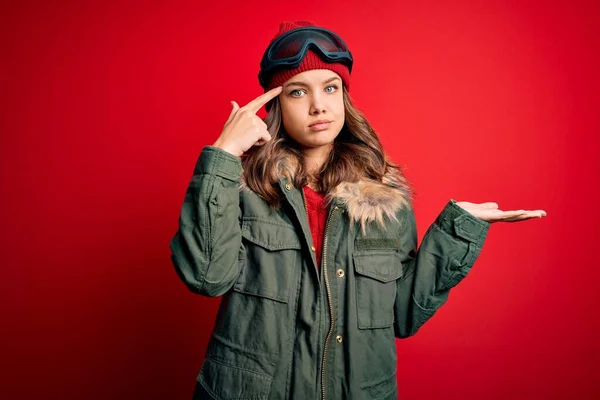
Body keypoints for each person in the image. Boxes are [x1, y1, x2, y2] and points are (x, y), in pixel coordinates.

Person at [169, 20, 546, 400]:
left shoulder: (384, 201)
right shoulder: (243, 187)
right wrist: (223, 154)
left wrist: (454, 233)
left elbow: (403, 315)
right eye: (298, 92)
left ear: (343, 98)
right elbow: (206, 277)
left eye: (330, 88)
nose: (319, 106)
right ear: (275, 105)